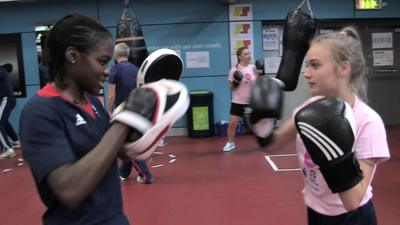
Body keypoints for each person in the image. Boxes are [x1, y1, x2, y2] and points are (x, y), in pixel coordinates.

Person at [253, 26, 390, 225]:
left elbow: (353, 200)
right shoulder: (309, 108)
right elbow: (273, 145)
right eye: (306, 65)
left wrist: (335, 152)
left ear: (344, 68)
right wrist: (262, 124)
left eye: (315, 65)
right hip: (316, 212)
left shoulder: (368, 122)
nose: (306, 74)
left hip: (352, 218)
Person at [19, 13, 140, 225]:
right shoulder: (40, 112)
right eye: (102, 61)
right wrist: (122, 123)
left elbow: (121, 151)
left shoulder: (92, 102)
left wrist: (146, 118)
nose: (107, 71)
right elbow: (70, 190)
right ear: (73, 56)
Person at [107, 42, 153, 184]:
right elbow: (142, 90)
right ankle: (123, 173)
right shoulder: (136, 69)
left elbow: (111, 95)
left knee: (128, 144)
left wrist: (109, 110)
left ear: (116, 54)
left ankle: (146, 175)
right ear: (127, 53)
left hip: (123, 112)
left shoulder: (114, 70)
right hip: (138, 110)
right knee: (128, 141)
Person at [222, 46, 259, 152]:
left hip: (252, 101)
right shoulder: (234, 70)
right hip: (238, 100)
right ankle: (230, 143)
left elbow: (259, 82)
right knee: (232, 124)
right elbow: (231, 87)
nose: (249, 56)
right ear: (239, 57)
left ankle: (263, 141)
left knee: (256, 124)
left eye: (249, 53)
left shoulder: (253, 67)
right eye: (246, 54)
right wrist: (236, 81)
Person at [0, 63, 19, 159]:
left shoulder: (1, 71)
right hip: (9, 99)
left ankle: (8, 149)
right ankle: (15, 140)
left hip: (6, 99)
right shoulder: (4, 73)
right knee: (4, 122)